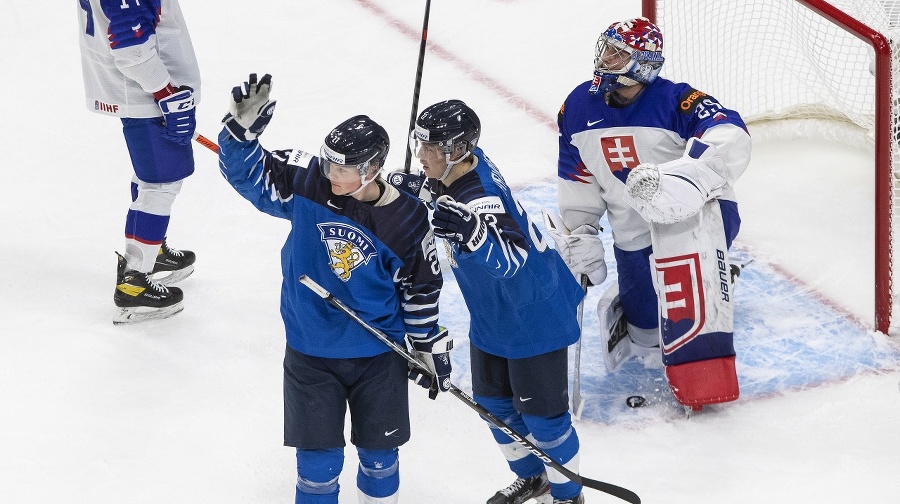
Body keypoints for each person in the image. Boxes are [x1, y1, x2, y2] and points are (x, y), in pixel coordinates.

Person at [217, 73, 449, 504]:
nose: (331, 175)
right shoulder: (308, 183)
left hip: (378, 357)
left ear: (372, 169)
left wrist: (427, 346)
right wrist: (240, 134)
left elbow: (420, 290)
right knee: (317, 466)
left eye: (341, 169)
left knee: (381, 460)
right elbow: (250, 177)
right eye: (328, 164)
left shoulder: (408, 221)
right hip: (310, 350)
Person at [552, 17, 752, 409]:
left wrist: (689, 178)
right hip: (632, 227)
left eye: (618, 53)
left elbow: (732, 134)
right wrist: (582, 232)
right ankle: (705, 275)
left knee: (689, 321)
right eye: (606, 48)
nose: (605, 58)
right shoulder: (576, 107)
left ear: (643, 64)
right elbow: (576, 174)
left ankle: (713, 273)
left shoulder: (677, 99)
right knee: (645, 331)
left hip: (695, 216)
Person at [400, 100, 587, 504]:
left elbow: (512, 260)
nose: (420, 155)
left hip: (534, 316)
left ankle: (568, 496)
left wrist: (476, 235)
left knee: (545, 421)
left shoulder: (481, 200)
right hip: (495, 316)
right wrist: (424, 191)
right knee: (493, 405)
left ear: (455, 150)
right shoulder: (466, 166)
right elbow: (450, 201)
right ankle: (534, 478)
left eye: (430, 148)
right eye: (421, 144)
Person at [77, 0, 199, 325]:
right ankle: (135, 280)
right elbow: (131, 46)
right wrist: (166, 92)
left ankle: (151, 250)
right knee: (162, 182)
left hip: (140, 88)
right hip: (145, 91)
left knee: (152, 176)